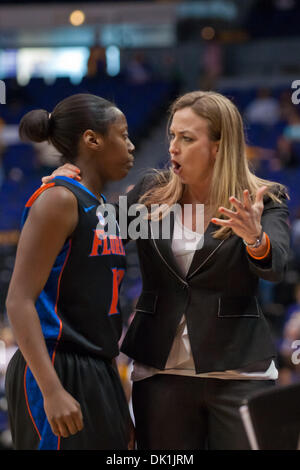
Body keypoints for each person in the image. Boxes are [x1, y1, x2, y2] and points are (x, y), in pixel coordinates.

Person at [42, 90, 290, 450]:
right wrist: (68, 187)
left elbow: (275, 266)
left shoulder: (263, 198)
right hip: (159, 371)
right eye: (172, 135)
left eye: (187, 138)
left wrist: (255, 238)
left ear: (219, 146)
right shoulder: (151, 193)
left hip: (239, 369)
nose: (173, 147)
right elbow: (95, 233)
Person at [5, 93, 135, 450]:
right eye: (122, 135)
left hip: (98, 367)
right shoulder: (59, 199)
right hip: (56, 365)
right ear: (92, 139)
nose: (131, 145)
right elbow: (18, 301)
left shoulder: (102, 206)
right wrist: (51, 390)